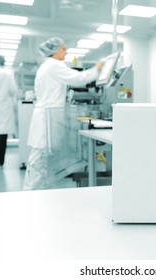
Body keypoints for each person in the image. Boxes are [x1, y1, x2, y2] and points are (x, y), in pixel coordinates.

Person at [23, 37, 104, 190]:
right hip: (46, 119)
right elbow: (78, 78)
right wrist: (97, 69)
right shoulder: (54, 66)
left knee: (43, 158)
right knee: (39, 158)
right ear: (55, 50)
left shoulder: (46, 66)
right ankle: (29, 192)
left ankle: (39, 190)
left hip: (46, 116)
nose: (66, 52)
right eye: (63, 49)